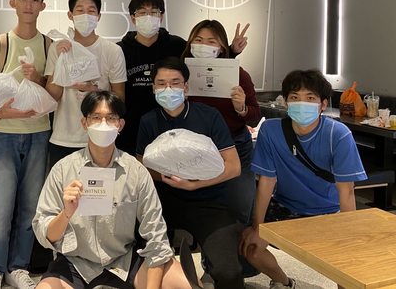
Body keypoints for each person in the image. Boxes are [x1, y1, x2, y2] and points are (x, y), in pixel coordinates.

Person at [32, 90, 191, 289]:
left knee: (181, 283)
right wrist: (66, 213)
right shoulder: (63, 170)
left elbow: (156, 234)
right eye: (96, 118)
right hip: (75, 264)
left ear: (120, 125)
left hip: (123, 261)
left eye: (111, 118)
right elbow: (44, 234)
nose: (103, 124)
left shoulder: (136, 171)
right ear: (85, 124)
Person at [240, 69, 367, 289]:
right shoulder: (271, 131)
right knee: (251, 248)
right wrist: (257, 226)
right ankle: (284, 283)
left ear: (323, 104)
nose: (302, 103)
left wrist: (350, 236)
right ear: (286, 102)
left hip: (328, 211)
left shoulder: (338, 134)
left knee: (348, 265)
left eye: (310, 98)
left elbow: (346, 191)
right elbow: (266, 183)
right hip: (285, 206)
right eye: (294, 97)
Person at [136, 57, 243, 289]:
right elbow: (141, 166)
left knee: (229, 272)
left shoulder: (209, 116)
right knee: (139, 262)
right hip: (162, 201)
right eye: (161, 83)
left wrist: (195, 184)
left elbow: (234, 167)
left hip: (208, 202)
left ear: (186, 87)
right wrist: (166, 177)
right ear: (153, 88)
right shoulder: (148, 121)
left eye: (175, 83)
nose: (168, 89)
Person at [0, 0, 52, 289]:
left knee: (31, 207)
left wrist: (37, 79)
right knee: (0, 207)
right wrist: (2, 112)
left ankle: (18, 266)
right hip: (0, 136)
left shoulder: (49, 45)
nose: (28, 5)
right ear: (12, 3)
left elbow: (54, 93)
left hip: (38, 134)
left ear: (43, 6)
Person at [117, 0, 249, 155]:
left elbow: (204, 60)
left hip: (174, 124)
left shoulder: (176, 45)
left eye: (154, 12)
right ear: (133, 18)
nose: (148, 17)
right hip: (133, 127)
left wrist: (231, 51)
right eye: (142, 13)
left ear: (162, 16)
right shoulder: (119, 50)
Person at [181, 20, 260, 225]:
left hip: (235, 147)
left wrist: (241, 107)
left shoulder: (238, 75)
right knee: (203, 212)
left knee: (239, 208)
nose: (204, 45)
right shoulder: (182, 75)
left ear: (221, 47)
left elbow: (255, 115)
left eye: (211, 41)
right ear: (190, 44)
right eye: (198, 40)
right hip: (196, 150)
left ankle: (238, 253)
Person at [45, 0, 126, 165]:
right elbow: (52, 97)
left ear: (99, 16)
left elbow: (119, 99)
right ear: (70, 15)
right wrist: (61, 61)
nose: (85, 16)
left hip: (101, 136)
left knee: (101, 190)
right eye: (80, 11)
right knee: (65, 191)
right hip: (63, 137)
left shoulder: (112, 51)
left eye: (91, 11)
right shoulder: (58, 48)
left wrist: (95, 92)